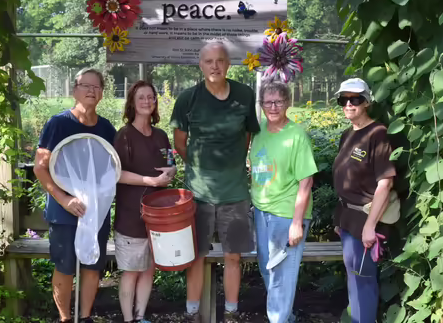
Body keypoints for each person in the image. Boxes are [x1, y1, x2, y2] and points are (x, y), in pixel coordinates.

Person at [170, 42, 260, 322]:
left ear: (228, 63)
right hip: (198, 195)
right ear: (201, 65)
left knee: (234, 257)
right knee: (195, 257)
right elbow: (180, 142)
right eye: (209, 61)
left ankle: (231, 313)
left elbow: (248, 136)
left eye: (220, 60)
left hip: (235, 193)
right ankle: (192, 313)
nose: (215, 66)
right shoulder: (188, 98)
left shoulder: (244, 95)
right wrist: (202, 165)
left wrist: (231, 164)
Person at [33, 68, 116, 323]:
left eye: (97, 87)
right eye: (85, 86)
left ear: (102, 93)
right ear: (74, 90)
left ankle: (86, 317)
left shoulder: (106, 129)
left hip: (96, 211)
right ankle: (64, 318)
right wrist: (64, 199)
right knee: (65, 266)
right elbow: (40, 167)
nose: (91, 91)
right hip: (64, 211)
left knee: (93, 265)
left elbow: (111, 171)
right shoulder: (58, 124)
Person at [250, 82, 318, 323]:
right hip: (261, 211)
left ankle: (278, 319)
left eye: (278, 101)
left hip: (286, 215)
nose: (273, 107)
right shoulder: (259, 131)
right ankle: (284, 318)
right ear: (261, 105)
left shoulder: (297, 136)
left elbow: (306, 182)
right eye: (268, 102)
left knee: (280, 274)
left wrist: (297, 222)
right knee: (268, 270)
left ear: (288, 103)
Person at [331, 78, 397, 323]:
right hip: (348, 220)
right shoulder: (348, 134)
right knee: (354, 280)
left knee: (363, 282)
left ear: (367, 101)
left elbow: (385, 183)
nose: (349, 104)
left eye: (355, 99)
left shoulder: (378, 134)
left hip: (365, 221)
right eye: (343, 99)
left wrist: (370, 225)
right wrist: (340, 219)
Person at [113, 80, 176, 323]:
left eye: (151, 97)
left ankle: (141, 317)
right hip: (131, 216)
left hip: (159, 216)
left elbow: (171, 164)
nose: (147, 101)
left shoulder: (161, 135)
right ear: (132, 103)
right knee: (131, 271)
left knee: (149, 268)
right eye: (142, 97)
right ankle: (128, 319)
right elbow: (116, 174)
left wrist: (170, 172)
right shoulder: (124, 135)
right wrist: (149, 181)